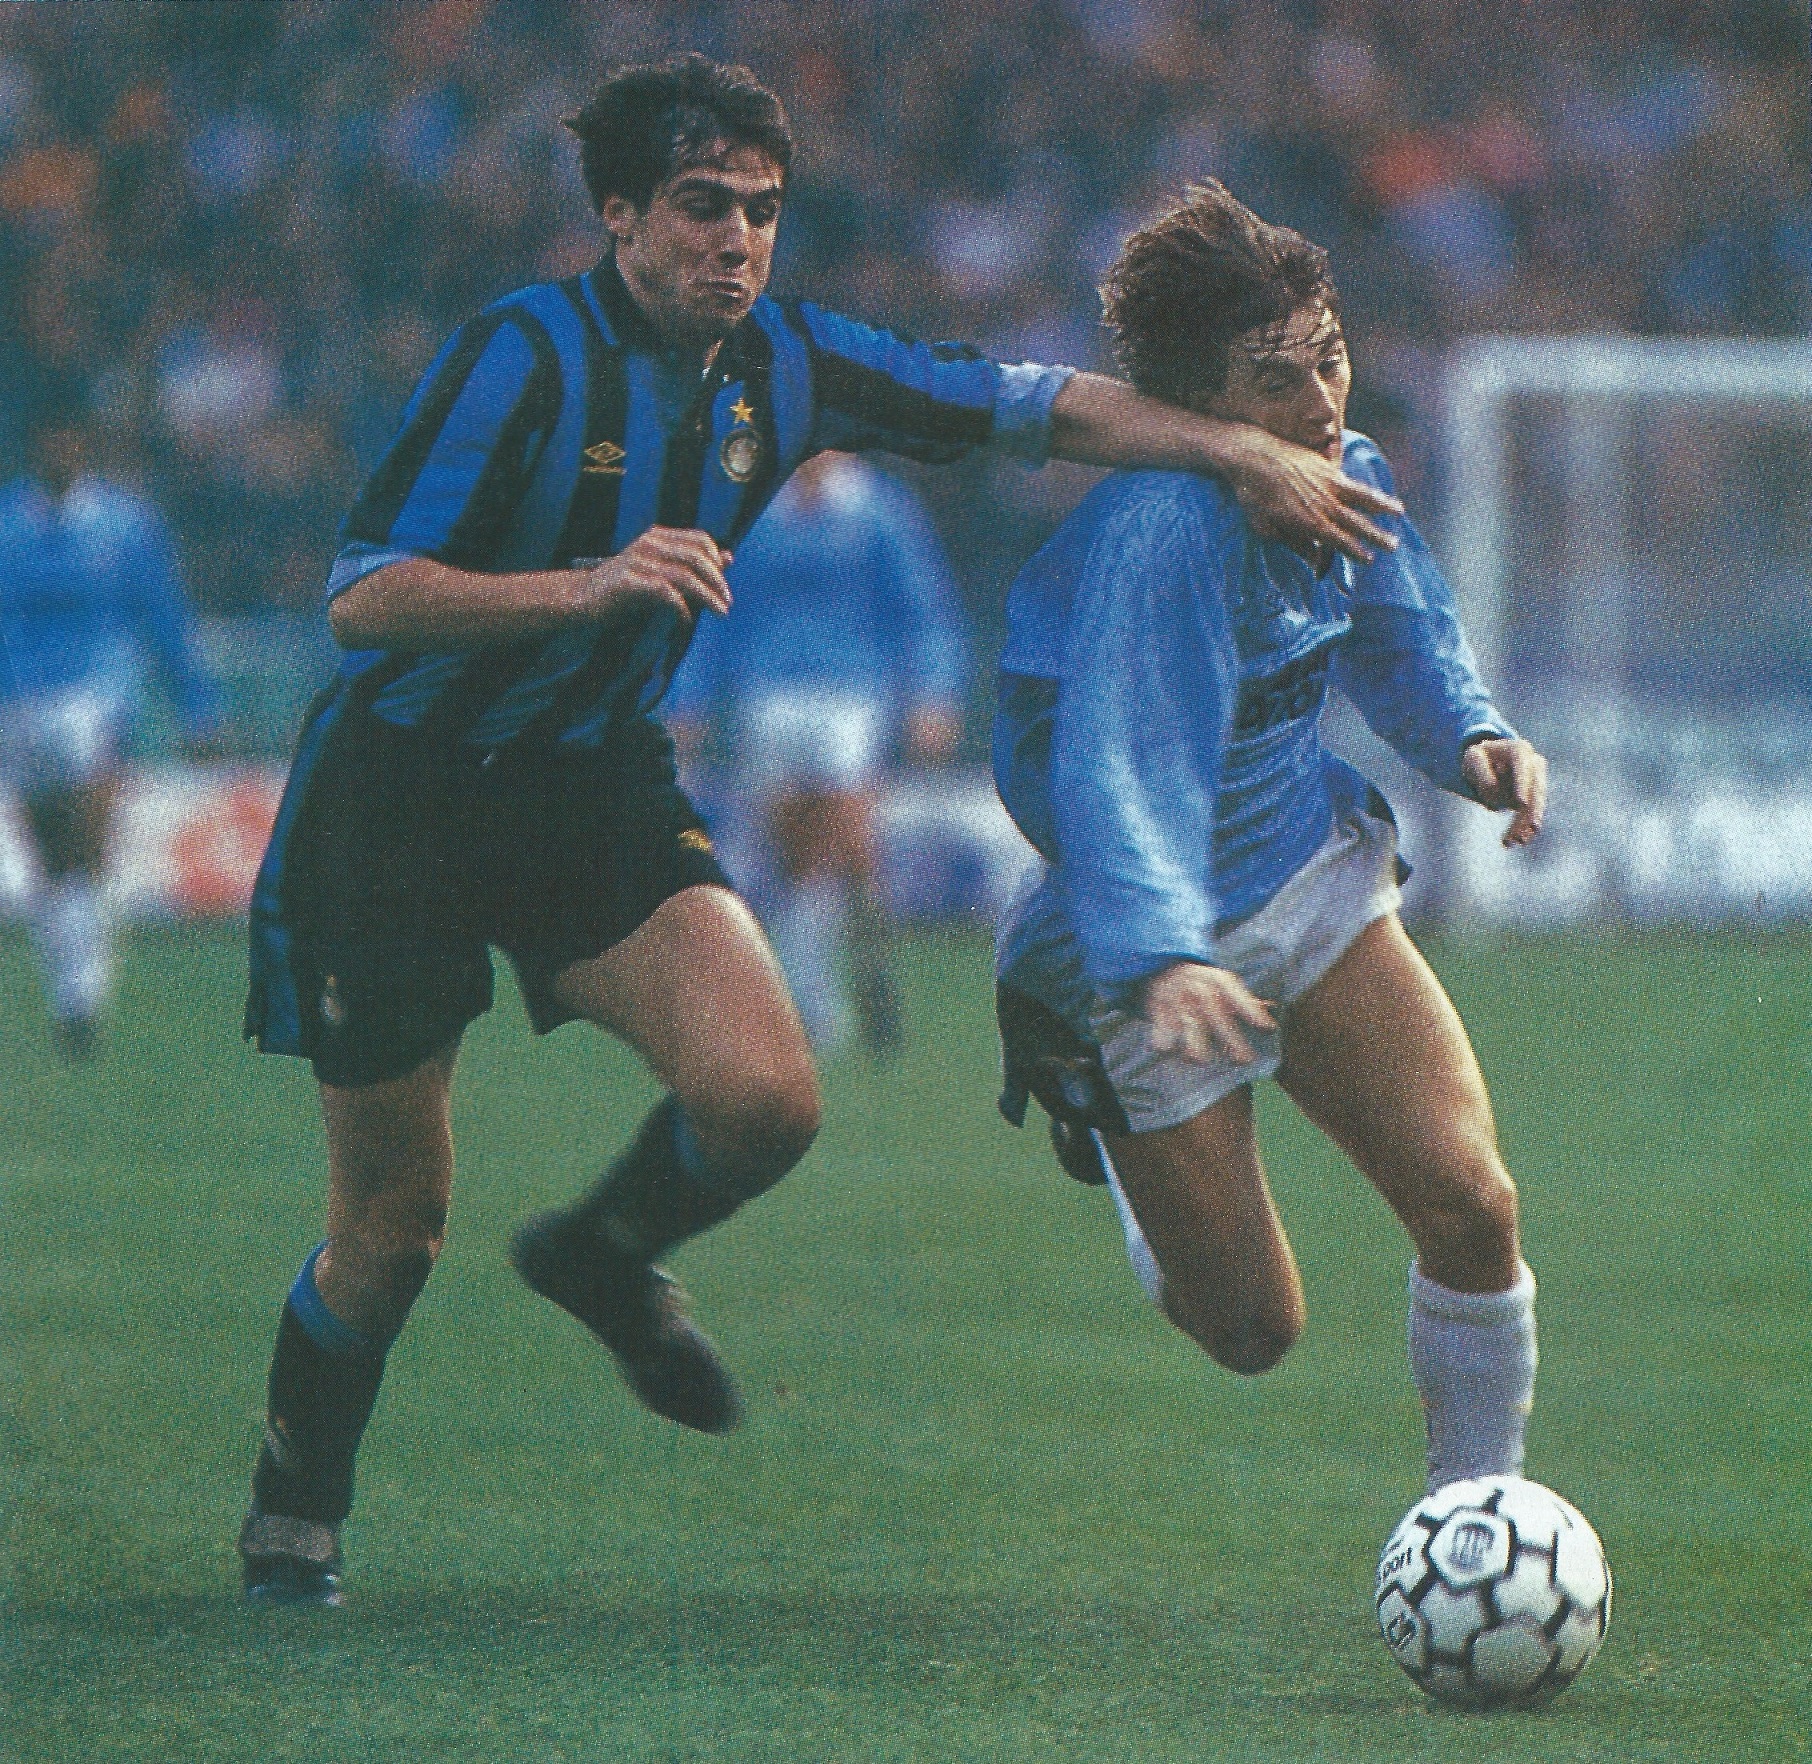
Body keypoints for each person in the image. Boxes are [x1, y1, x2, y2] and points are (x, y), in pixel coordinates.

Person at [236, 55, 1405, 1606]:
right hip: (397, 803)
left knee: (768, 1099)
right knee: (393, 1229)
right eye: (702, 207)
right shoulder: (519, 358)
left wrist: (1235, 446)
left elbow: (1033, 406)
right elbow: (365, 593)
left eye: (762, 210)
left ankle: (600, 1253)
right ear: (619, 214)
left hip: (584, 786)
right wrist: (588, 585)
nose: (737, 239)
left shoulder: (786, 364)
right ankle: (296, 1504)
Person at [992, 181, 1549, 1497]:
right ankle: (1108, 1126)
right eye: (1277, 379)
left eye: (1331, 357)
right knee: (1251, 1331)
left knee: (1474, 1207)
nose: (1321, 402)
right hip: (1141, 945)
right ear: (1195, 403)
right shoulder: (1164, 531)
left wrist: (1474, 739)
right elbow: (1117, 768)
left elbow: (1402, 630)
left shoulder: (1348, 472)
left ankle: (1477, 1521)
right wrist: (1159, 952)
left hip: (1304, 871)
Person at [666, 450, 968, 1055]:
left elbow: (923, 610)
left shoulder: (879, 509)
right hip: (766, 692)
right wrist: (689, 697)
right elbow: (719, 610)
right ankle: (814, 992)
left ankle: (845, 973)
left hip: (855, 693)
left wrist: (935, 694)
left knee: (841, 827)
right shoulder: (755, 512)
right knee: (790, 849)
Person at [0, 408, 224, 1061]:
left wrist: (198, 707)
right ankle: (70, 991)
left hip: (99, 693)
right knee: (50, 851)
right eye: (47, 437)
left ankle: (85, 998)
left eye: (67, 437)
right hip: (20, 697)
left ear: (84, 444)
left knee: (88, 832)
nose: (58, 448)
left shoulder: (125, 524)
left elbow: (165, 615)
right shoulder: (8, 521)